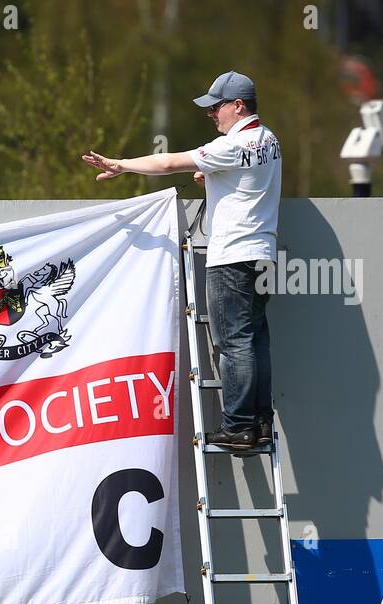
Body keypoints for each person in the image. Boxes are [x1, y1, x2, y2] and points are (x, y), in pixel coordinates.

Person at [81, 70, 281, 452]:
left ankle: (237, 425)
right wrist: (216, 180)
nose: (212, 115)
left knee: (233, 342)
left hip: (233, 256)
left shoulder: (231, 147)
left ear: (238, 106)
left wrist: (122, 165)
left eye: (216, 107)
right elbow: (249, 182)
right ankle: (258, 422)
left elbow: (169, 163)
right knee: (256, 340)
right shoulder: (269, 139)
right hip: (264, 254)